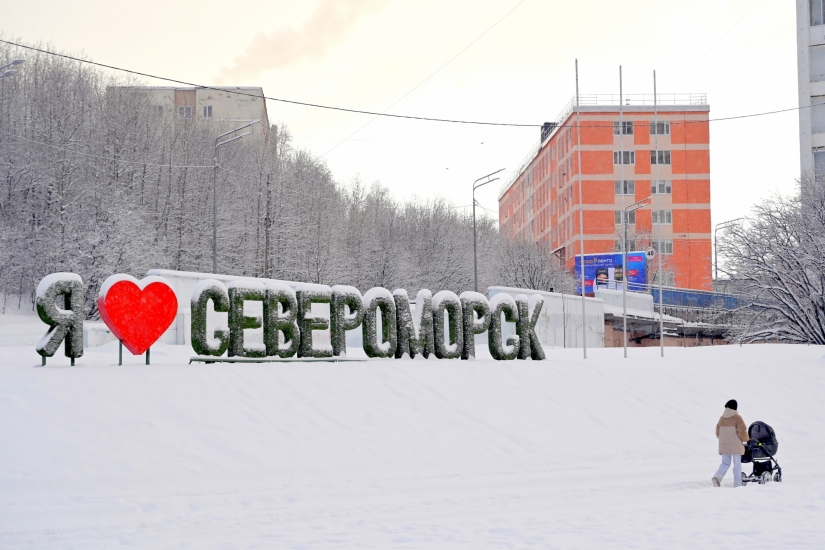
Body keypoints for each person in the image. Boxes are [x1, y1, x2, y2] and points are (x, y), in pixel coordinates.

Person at [712, 399, 750, 487]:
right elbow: (742, 432)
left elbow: (718, 432)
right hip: (736, 447)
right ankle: (737, 483)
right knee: (737, 464)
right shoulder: (737, 417)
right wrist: (747, 439)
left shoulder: (721, 418)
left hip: (724, 446)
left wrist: (724, 441)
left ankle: (717, 477)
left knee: (725, 463)